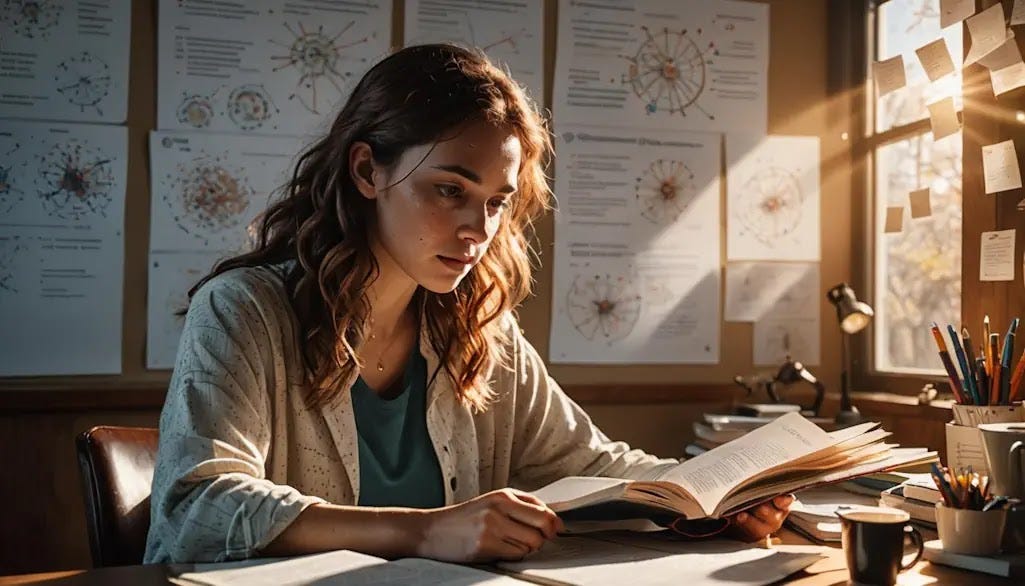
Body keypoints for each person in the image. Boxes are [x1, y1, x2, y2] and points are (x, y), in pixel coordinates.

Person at [144, 43, 792, 565]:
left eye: (496, 200)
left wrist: (712, 495)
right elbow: (199, 508)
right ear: (367, 171)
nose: (478, 230)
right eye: (448, 189)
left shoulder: (481, 330)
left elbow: (594, 466)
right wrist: (424, 532)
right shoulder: (243, 313)